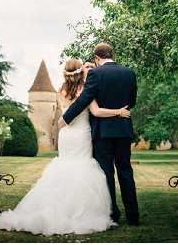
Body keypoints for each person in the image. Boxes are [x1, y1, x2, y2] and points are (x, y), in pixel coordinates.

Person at [0, 58, 130, 235]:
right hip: (81, 134)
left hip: (66, 135)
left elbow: (61, 115)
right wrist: (118, 111)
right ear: (81, 72)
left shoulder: (60, 91)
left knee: (65, 166)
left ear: (66, 73)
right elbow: (96, 112)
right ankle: (77, 211)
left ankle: (55, 208)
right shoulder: (86, 90)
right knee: (81, 167)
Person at [59, 43, 139, 226]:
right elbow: (131, 101)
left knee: (107, 173)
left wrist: (65, 119)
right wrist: (120, 111)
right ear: (112, 54)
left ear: (96, 57)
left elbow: (85, 99)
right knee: (126, 171)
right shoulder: (129, 73)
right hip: (124, 129)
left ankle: (112, 214)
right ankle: (133, 216)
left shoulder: (96, 74)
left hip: (103, 132)